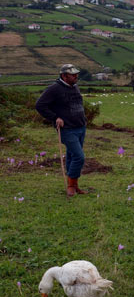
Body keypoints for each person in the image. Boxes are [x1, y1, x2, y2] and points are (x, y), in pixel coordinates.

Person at [35, 64, 88, 197]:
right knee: (79, 156)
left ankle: (74, 185)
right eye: (73, 75)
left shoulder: (75, 87)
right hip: (67, 129)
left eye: (76, 74)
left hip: (80, 126)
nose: (76, 76)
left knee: (71, 155)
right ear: (64, 76)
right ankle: (70, 185)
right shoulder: (54, 89)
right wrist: (55, 117)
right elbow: (40, 105)